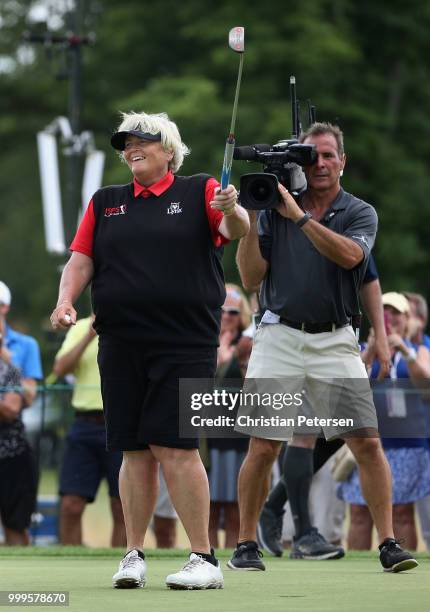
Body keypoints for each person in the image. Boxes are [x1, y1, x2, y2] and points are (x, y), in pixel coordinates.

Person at [50, 111, 249, 589]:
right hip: (121, 340)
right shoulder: (106, 202)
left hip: (184, 341)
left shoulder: (200, 189)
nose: (131, 147)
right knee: (133, 449)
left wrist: (234, 207)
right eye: (126, 142)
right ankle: (133, 554)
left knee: (175, 445)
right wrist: (64, 302)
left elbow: (236, 228)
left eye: (143, 139)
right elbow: (82, 259)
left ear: (168, 149)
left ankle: (203, 558)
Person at [229, 121, 417, 573]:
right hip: (278, 334)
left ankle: (388, 543)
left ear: (342, 161)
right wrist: (255, 216)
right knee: (264, 445)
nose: (322, 163)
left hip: (335, 337)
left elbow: (353, 257)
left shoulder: (359, 211)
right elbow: (251, 278)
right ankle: (245, 544)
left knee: (366, 442)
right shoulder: (274, 210)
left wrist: (299, 216)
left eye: (329, 155)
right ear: (300, 160)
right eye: (312, 155)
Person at [257, 255, 391, 559]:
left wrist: (378, 336)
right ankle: (301, 533)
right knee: (303, 434)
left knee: (347, 432)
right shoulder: (282, 215)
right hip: (292, 337)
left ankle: (273, 508)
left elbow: (368, 277)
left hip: (338, 338)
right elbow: (258, 276)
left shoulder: (348, 214)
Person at [339, 292, 430, 549]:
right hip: (369, 442)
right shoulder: (364, 349)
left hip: (408, 444)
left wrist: (403, 350)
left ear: (408, 319)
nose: (391, 319)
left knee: (401, 511)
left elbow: (426, 387)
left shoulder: (419, 349)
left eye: (397, 313)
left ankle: (401, 556)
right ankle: (356, 571)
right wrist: (370, 351)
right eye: (386, 312)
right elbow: (350, 389)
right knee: (358, 513)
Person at [53, 314, 126, 547]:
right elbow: (60, 368)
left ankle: (125, 565)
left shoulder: (132, 324)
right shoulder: (81, 327)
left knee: (122, 506)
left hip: (122, 424)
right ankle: (68, 566)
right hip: (84, 424)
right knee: (70, 505)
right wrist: (88, 335)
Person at [208, 284, 252, 548]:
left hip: (238, 433)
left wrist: (238, 354)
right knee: (210, 506)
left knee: (236, 505)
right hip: (208, 433)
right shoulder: (205, 338)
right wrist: (222, 344)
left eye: (233, 312)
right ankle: (208, 552)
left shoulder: (247, 344)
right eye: (222, 310)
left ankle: (235, 550)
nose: (226, 316)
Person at [0, 281, 42, 545]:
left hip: (11, 450)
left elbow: (18, 403)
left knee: (16, 527)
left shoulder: (24, 346)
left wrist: (5, 356)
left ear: (4, 307)